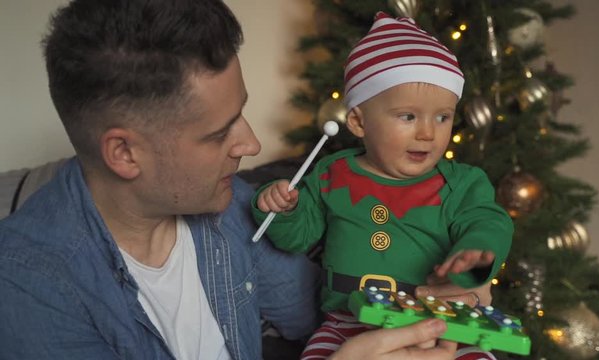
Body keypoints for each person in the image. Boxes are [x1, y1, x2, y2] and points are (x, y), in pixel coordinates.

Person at [0, 1, 487, 359]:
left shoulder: (236, 208)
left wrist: (439, 285)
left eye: (241, 114)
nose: (252, 145)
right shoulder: (29, 282)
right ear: (124, 153)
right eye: (219, 133)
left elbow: (322, 312)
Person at [252, 12, 514, 359]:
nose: (427, 132)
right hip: (348, 323)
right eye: (408, 116)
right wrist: (283, 209)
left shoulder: (461, 183)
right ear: (359, 122)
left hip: (443, 322)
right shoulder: (333, 173)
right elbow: (297, 237)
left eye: (443, 117)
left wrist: (476, 255)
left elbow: (489, 222)